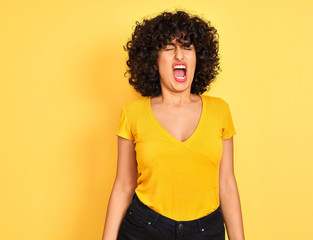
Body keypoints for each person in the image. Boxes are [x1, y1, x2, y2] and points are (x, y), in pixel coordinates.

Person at [102, 10, 245, 240]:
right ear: (153, 59)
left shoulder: (220, 111)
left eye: (187, 47)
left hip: (206, 231)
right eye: (169, 48)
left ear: (198, 57)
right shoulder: (133, 113)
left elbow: (227, 185)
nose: (180, 55)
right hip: (144, 228)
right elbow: (123, 186)